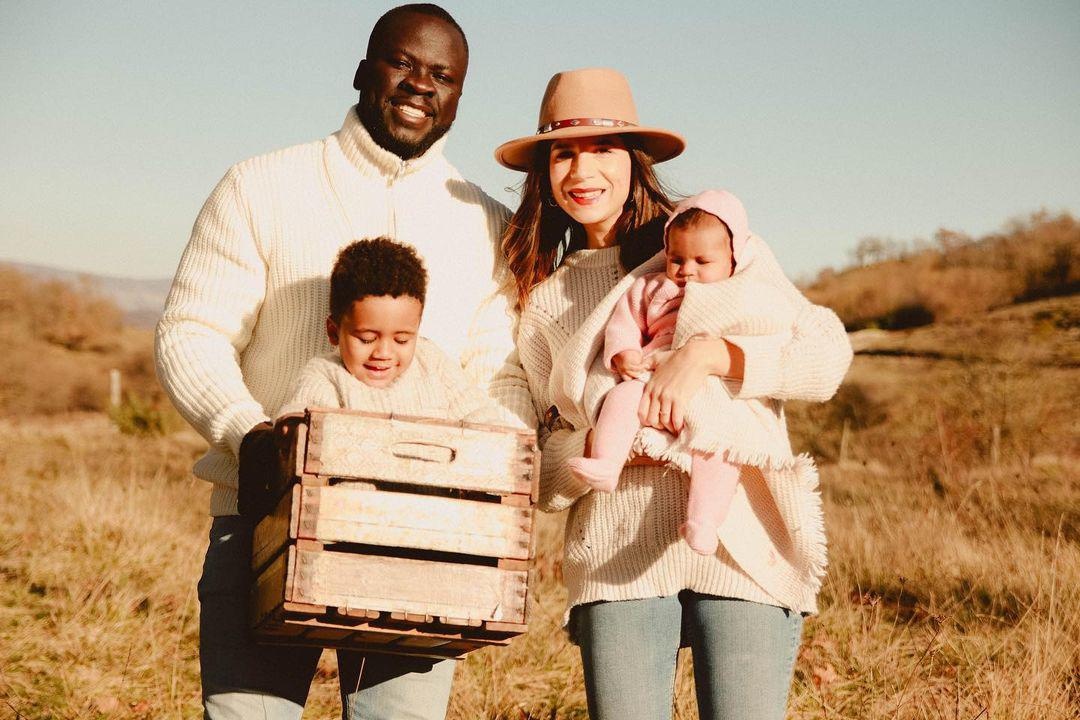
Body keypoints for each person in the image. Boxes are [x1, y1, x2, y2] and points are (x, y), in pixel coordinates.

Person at [155, 4, 533, 718]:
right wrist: (250, 436)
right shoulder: (259, 186)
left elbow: (501, 372)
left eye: (442, 74)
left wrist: (483, 475)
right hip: (263, 518)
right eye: (402, 63)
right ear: (364, 70)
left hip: (425, 537)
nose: (420, 84)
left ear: (458, 95)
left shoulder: (489, 226)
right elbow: (191, 331)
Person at [496, 67, 853, 719]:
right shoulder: (546, 304)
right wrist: (613, 444)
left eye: (602, 148)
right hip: (615, 550)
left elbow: (826, 356)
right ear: (543, 170)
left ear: (635, 160)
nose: (583, 169)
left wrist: (712, 354)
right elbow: (541, 470)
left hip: (741, 539)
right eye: (564, 151)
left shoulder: (711, 246)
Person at [567, 189, 804, 556]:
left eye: (701, 261)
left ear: (733, 259)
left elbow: (767, 329)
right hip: (652, 371)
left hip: (714, 390)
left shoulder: (740, 293)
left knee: (719, 446)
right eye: (676, 258)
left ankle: (703, 520)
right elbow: (624, 322)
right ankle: (607, 463)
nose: (686, 270)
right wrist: (622, 354)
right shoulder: (651, 287)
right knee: (620, 398)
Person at [275, 237, 499, 424]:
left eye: (401, 340)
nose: (383, 353)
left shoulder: (431, 361)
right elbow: (300, 422)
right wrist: (292, 425)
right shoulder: (326, 375)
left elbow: (479, 412)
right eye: (367, 339)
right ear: (334, 332)